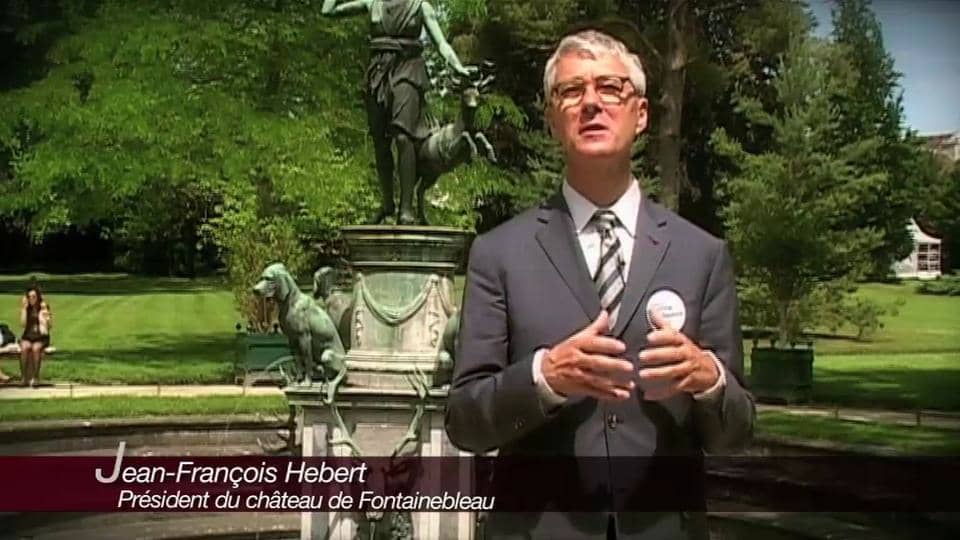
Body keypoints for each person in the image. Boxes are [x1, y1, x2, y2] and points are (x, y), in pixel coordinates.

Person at [445, 30, 755, 539]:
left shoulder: (703, 255)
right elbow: (465, 422)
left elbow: (736, 432)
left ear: (642, 114)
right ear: (551, 119)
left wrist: (709, 380)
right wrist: (544, 377)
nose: (591, 102)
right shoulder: (498, 253)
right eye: (571, 91)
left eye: (610, 88)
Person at [321, 0, 473, 225]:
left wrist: (458, 66)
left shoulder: (420, 7)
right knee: (380, 142)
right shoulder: (371, 3)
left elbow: (441, 44)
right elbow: (328, 11)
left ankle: (406, 208)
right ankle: (387, 203)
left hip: (408, 70)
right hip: (378, 74)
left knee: (404, 137)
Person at [20, 286, 52, 387]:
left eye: (34, 296)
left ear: (38, 297)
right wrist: (24, 309)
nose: (31, 299)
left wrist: (46, 317)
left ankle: (35, 377)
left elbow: (50, 326)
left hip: (41, 337)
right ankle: (24, 377)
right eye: (29, 297)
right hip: (28, 336)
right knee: (25, 348)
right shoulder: (26, 308)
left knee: (36, 348)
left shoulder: (43, 307)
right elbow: (23, 324)